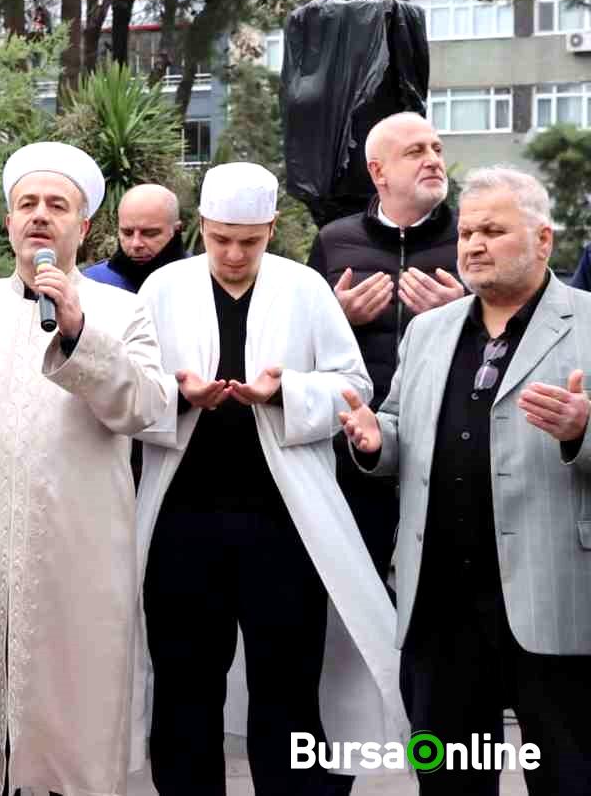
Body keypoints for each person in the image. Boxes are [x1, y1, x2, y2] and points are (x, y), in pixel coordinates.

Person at [0, 142, 176, 796]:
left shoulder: (122, 310)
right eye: (28, 205)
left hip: (77, 553)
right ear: (9, 220)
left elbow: (149, 405)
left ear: (83, 226)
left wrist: (78, 331)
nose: (40, 217)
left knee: (71, 729)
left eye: (57, 205)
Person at [134, 161, 404, 795]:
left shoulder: (305, 288)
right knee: (184, 684)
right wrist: (181, 395)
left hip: (284, 524)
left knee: (286, 683)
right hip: (183, 520)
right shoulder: (162, 290)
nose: (233, 254)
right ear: (200, 227)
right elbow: (130, 394)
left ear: (272, 230)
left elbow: (355, 387)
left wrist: (285, 393)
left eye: (249, 241)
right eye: (221, 238)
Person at [342, 166, 591, 796]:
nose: (474, 245)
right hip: (439, 606)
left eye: (494, 231)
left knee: (571, 775)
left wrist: (582, 431)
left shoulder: (587, 322)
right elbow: (400, 425)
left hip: (554, 597)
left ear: (543, 240)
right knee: (448, 778)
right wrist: (377, 442)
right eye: (468, 232)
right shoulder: (429, 331)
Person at [308, 112, 462, 580]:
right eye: (415, 152)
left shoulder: (469, 237)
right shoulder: (335, 242)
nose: (433, 160)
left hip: (448, 450)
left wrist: (463, 312)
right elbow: (296, 346)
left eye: (436, 149)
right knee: (360, 593)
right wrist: (337, 320)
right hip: (356, 450)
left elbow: (515, 328)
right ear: (377, 172)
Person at [82, 182, 185, 293]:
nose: (136, 244)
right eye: (127, 233)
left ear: (176, 230)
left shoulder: (200, 280)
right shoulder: (92, 282)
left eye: (150, 233)